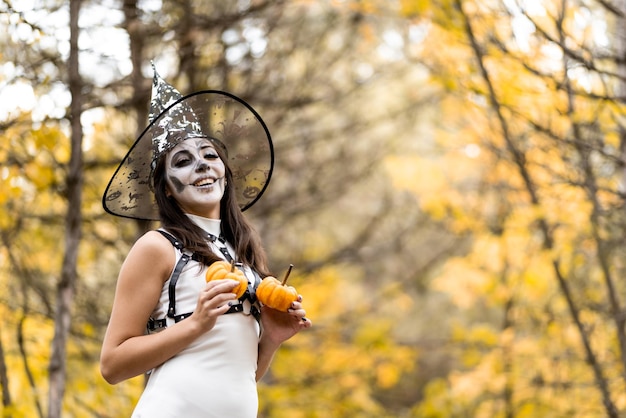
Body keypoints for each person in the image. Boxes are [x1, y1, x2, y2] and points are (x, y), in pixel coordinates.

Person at [99, 64, 311, 417]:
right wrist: (196, 323)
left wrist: (271, 340)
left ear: (224, 173)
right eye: (183, 161)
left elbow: (237, 376)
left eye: (210, 155)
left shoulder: (242, 256)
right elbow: (112, 365)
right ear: (166, 187)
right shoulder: (157, 247)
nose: (201, 165)